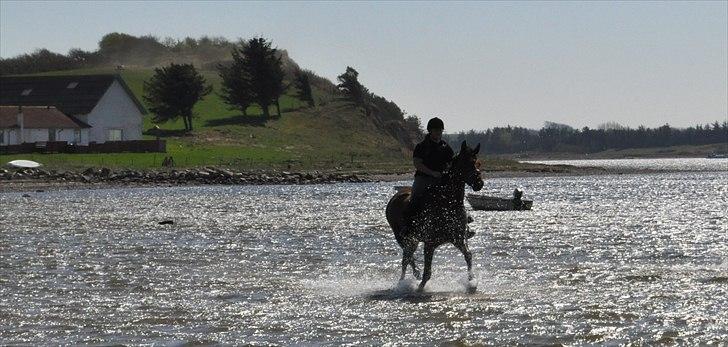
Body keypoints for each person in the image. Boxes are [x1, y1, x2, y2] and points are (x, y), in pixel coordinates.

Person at [407, 117, 454, 217]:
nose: (439, 132)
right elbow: (417, 164)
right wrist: (432, 173)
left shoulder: (446, 147)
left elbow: (451, 163)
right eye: (436, 130)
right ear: (430, 131)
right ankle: (407, 226)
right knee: (414, 198)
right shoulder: (421, 146)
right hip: (423, 178)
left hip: (441, 178)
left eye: (440, 130)